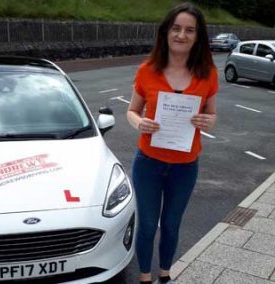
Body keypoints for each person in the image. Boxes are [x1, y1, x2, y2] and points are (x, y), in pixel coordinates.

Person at [126, 2, 218, 284]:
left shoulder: (208, 74)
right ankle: (144, 277)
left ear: (198, 36)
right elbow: (131, 110)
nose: (182, 35)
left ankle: (164, 274)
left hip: (185, 166)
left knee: (171, 224)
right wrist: (140, 123)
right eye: (176, 28)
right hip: (149, 163)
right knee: (147, 226)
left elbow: (211, 114)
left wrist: (208, 122)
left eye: (190, 30)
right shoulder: (147, 70)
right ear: (166, 32)